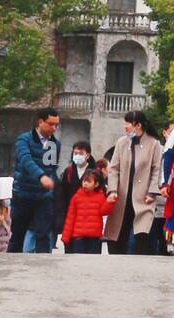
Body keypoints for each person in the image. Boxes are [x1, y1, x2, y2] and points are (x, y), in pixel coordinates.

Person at [105, 112, 163, 255]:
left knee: (141, 233)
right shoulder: (122, 142)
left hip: (143, 196)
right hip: (122, 196)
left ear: (138, 125)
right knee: (117, 232)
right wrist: (112, 190)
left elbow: (157, 170)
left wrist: (152, 192)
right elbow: (114, 169)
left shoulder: (154, 144)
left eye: (128, 123)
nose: (125, 127)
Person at [8, 107, 60, 253]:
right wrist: (41, 176)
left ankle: (43, 269)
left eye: (56, 125)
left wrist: (52, 181)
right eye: (51, 124)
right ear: (40, 122)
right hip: (23, 194)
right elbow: (26, 160)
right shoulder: (24, 139)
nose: (54, 128)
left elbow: (51, 168)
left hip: (43, 197)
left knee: (43, 235)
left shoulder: (55, 144)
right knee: (17, 236)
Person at [53, 140, 97, 245]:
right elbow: (61, 194)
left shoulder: (94, 172)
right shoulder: (68, 171)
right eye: (75, 153)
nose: (77, 156)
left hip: (89, 216)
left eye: (81, 153)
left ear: (88, 155)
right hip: (70, 216)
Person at [60, 168, 113, 254]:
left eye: (88, 181)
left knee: (92, 262)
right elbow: (70, 218)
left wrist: (110, 202)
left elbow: (104, 212)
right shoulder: (76, 197)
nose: (85, 184)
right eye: (84, 181)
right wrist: (65, 237)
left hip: (94, 237)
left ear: (96, 184)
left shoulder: (100, 197)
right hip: (78, 237)